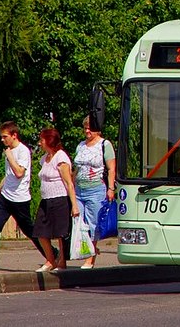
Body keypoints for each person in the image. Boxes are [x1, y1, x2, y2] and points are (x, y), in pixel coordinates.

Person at [0, 121, 48, 271]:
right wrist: (1, 188)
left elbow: (19, 173)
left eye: (5, 136)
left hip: (19, 199)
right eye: (1, 137)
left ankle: (52, 254)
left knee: (29, 230)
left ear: (14, 135)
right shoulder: (9, 151)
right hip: (5, 197)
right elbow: (9, 175)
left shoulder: (22, 151)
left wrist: (10, 157)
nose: (2, 140)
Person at [33, 128, 79, 272]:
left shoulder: (61, 157)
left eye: (42, 140)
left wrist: (74, 205)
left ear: (49, 140)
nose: (40, 143)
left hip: (60, 200)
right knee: (40, 231)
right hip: (46, 200)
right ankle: (50, 260)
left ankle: (62, 262)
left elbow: (69, 183)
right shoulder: (44, 159)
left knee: (60, 233)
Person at [73, 115, 116, 269]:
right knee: (80, 224)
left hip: (96, 189)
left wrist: (111, 188)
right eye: (85, 127)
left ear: (98, 129)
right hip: (79, 189)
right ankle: (90, 251)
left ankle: (90, 259)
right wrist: (71, 187)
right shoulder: (81, 146)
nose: (87, 130)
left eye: (90, 127)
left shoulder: (105, 144)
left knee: (93, 224)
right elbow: (76, 169)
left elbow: (111, 168)